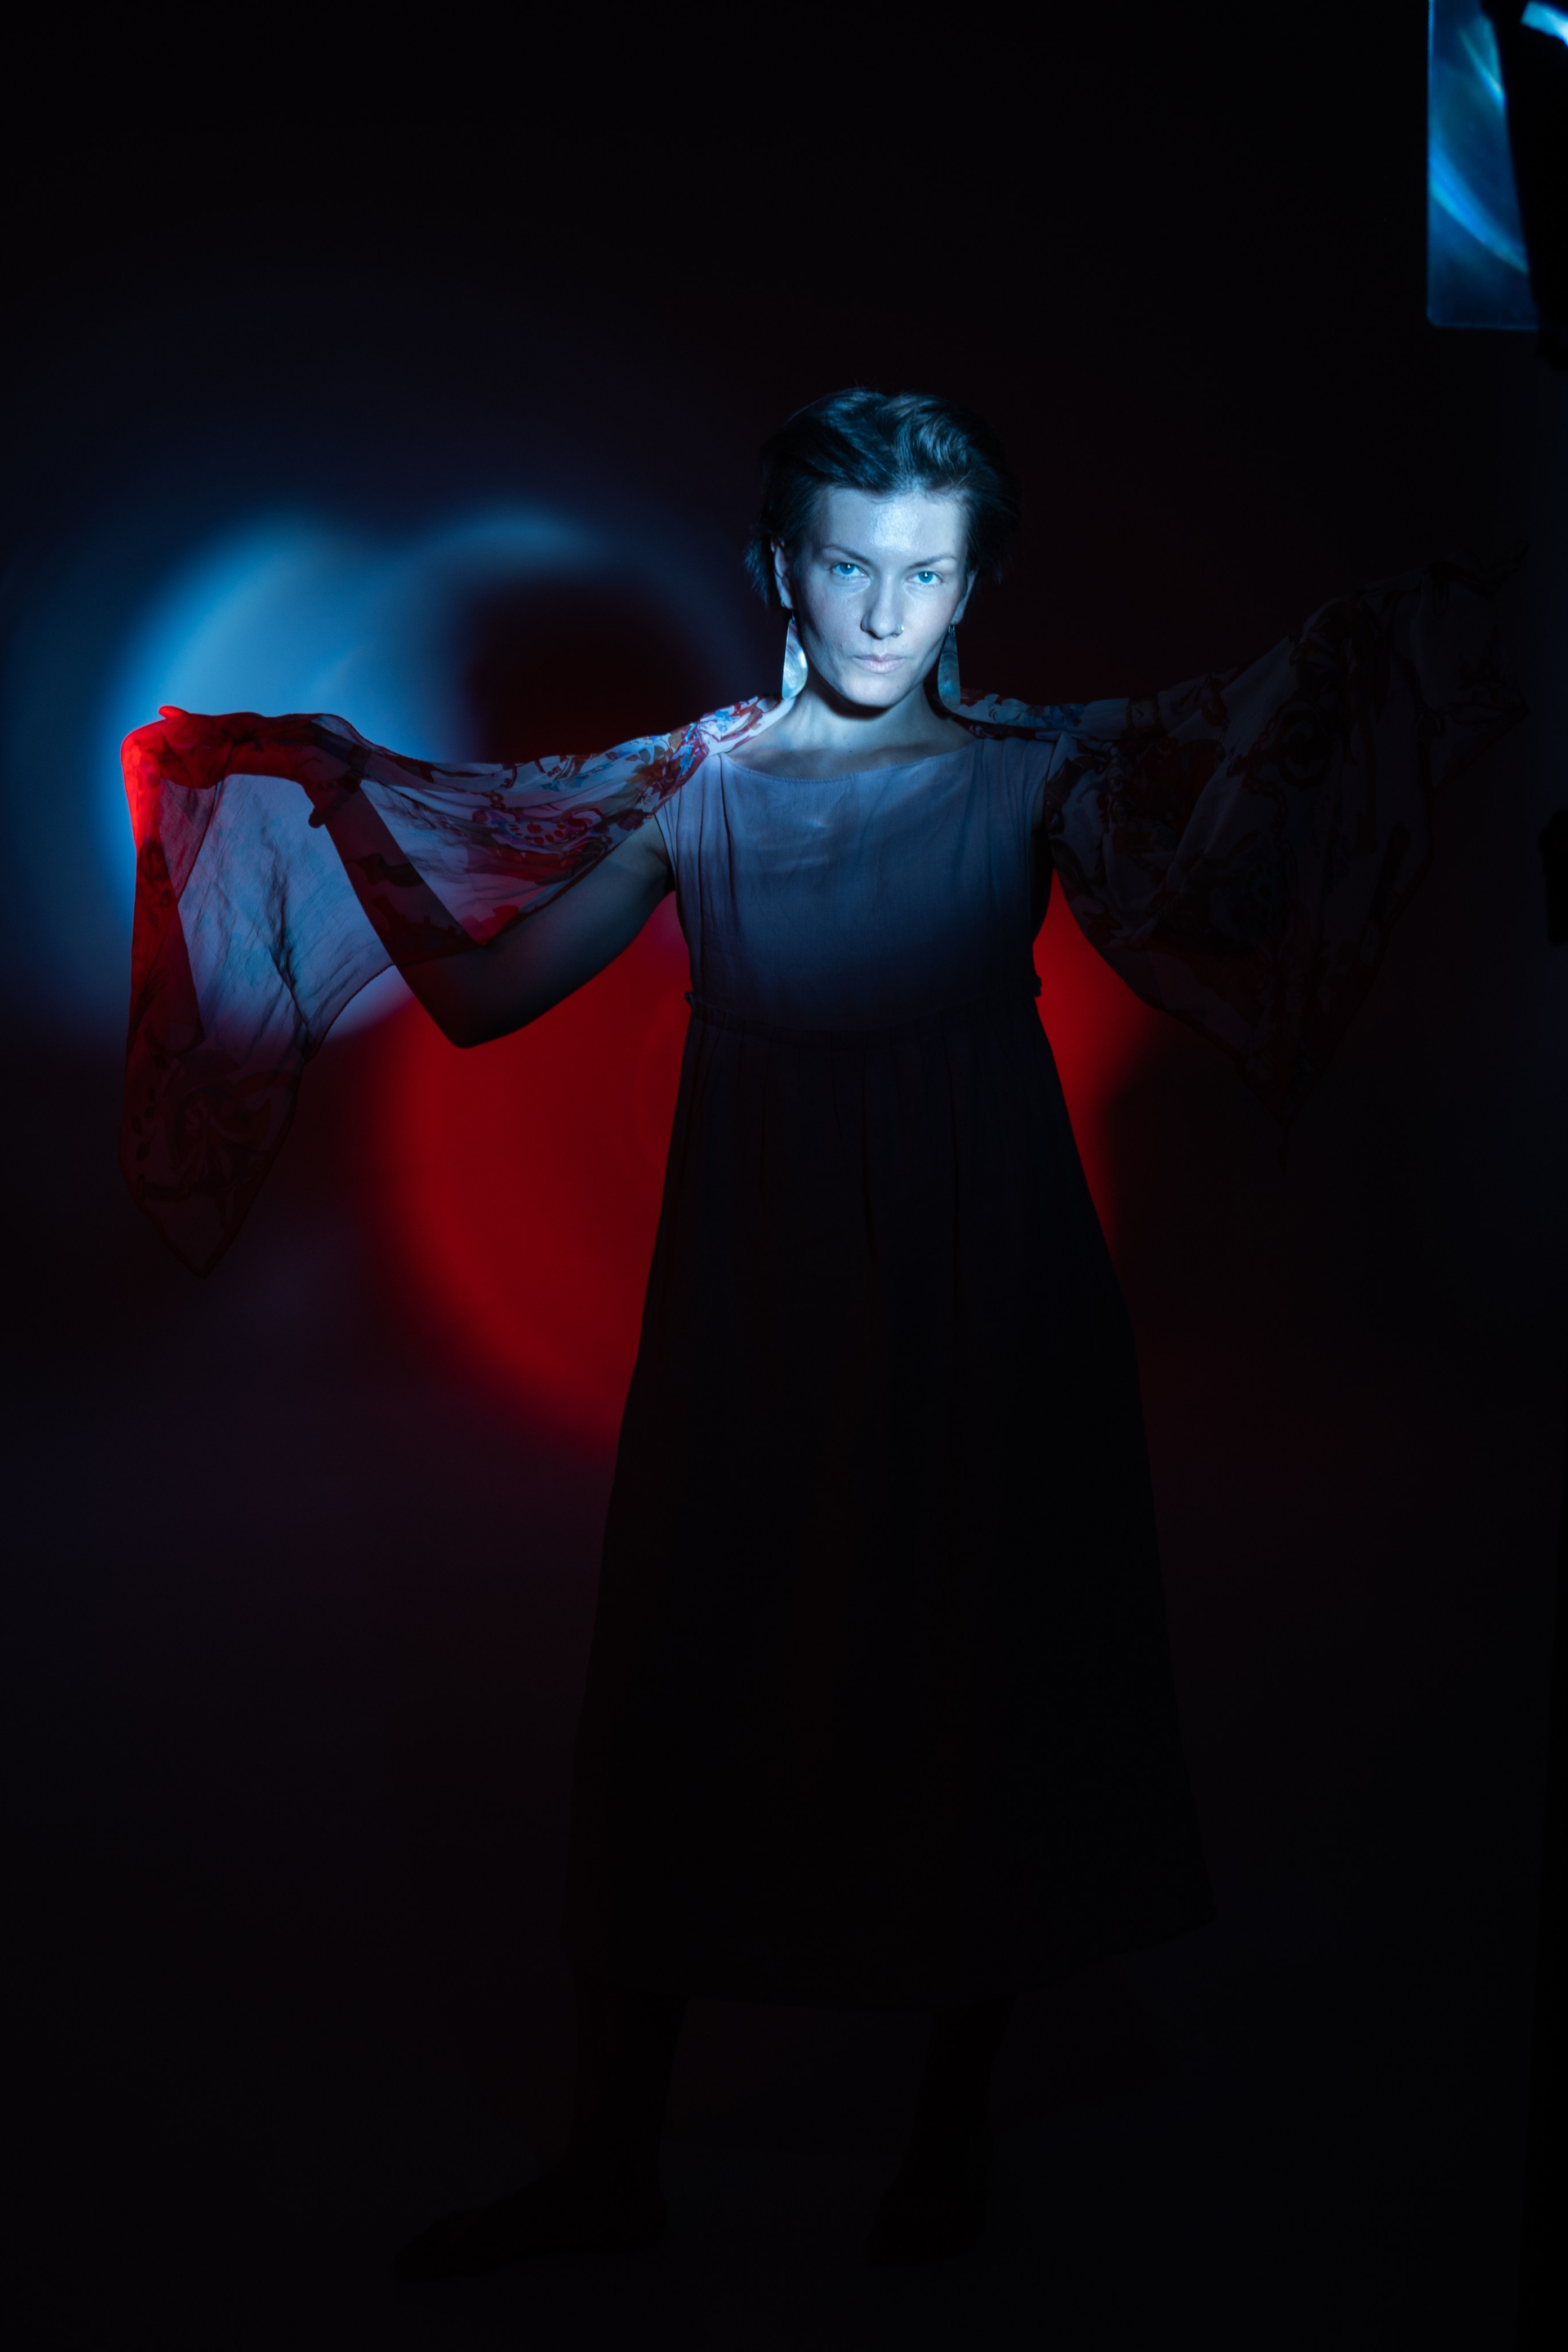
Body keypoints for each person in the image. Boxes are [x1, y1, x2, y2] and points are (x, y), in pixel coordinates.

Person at [119, 390, 1526, 2274]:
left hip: (989, 1280)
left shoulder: (1037, 773)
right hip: (759, 1289)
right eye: (851, 566)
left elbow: (1228, 887)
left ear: (971, 589)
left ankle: (946, 2149)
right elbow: (486, 1003)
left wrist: (1375, 674)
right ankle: (615, 2164)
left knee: (978, 1677)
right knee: (689, 1687)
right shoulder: (692, 789)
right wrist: (318, 797)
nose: (884, 612)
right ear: (780, 566)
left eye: (925, 575)